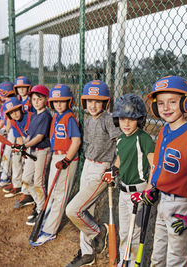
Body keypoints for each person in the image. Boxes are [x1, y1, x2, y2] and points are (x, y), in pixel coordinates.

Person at [139, 76, 187, 267]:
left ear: (186, 102)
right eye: (161, 103)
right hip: (163, 202)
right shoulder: (164, 131)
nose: (165, 108)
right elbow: (157, 167)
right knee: (157, 257)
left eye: (173, 102)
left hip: (183, 206)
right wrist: (151, 189)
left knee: (177, 261)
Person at [65, 80, 121, 266]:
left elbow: (120, 143)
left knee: (73, 210)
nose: (93, 105)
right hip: (88, 165)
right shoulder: (88, 121)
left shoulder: (108, 119)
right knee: (85, 211)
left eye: (98, 101)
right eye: (89, 101)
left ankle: (98, 233)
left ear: (105, 103)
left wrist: (114, 167)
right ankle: (88, 252)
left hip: (102, 169)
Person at [102, 94, 155, 267]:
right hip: (123, 191)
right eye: (122, 118)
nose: (126, 123)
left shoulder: (144, 138)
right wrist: (113, 170)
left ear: (139, 120)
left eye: (131, 119)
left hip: (139, 192)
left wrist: (148, 190)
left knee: (135, 233)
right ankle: (124, 261)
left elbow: (153, 165)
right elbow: (120, 158)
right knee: (124, 231)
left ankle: (133, 263)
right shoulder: (121, 139)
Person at [31, 84, 81, 247]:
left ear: (69, 101)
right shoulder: (57, 117)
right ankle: (46, 222)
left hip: (66, 159)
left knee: (60, 194)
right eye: (56, 102)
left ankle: (50, 231)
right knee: (53, 192)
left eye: (62, 101)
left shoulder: (69, 118)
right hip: (56, 156)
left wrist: (67, 159)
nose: (59, 104)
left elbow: (76, 141)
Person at [16, 85, 53, 223]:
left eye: (40, 99)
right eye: (34, 99)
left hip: (43, 151)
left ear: (46, 100)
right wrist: (21, 145)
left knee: (38, 181)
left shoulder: (45, 115)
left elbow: (39, 137)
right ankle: (39, 205)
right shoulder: (34, 116)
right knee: (26, 179)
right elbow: (30, 136)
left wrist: (24, 145)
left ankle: (41, 210)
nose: (36, 102)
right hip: (33, 150)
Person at [0, 81, 17, 188]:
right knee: (4, 152)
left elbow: (10, 118)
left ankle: (5, 177)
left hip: (12, 131)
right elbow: (4, 119)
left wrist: (6, 130)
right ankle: (3, 174)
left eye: (1, 93)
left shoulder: (10, 102)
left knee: (7, 153)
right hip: (8, 130)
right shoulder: (7, 103)